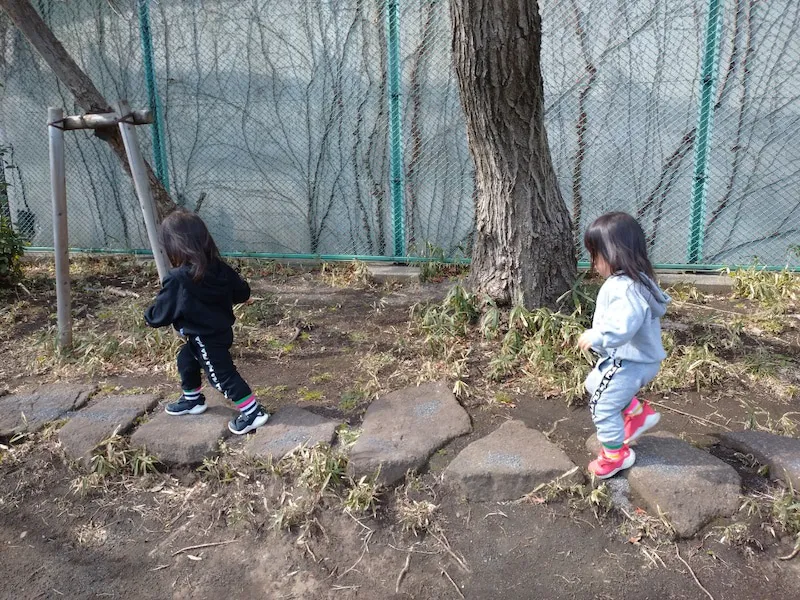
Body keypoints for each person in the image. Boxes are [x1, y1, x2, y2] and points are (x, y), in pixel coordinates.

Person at [144, 210, 270, 435]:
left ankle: (252, 412)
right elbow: (242, 292)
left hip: (204, 338)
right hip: (218, 332)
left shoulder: (178, 279)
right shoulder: (220, 268)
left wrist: (150, 314)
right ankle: (192, 399)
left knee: (221, 376)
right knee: (186, 359)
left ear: (174, 246)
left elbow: (159, 315)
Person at [577, 212, 670, 479]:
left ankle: (615, 456)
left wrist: (600, 337)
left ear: (613, 252)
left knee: (602, 405)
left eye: (596, 254)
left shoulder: (623, 287)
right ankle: (636, 414)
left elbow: (623, 326)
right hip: (636, 360)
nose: (593, 261)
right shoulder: (637, 279)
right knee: (594, 383)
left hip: (628, 362)